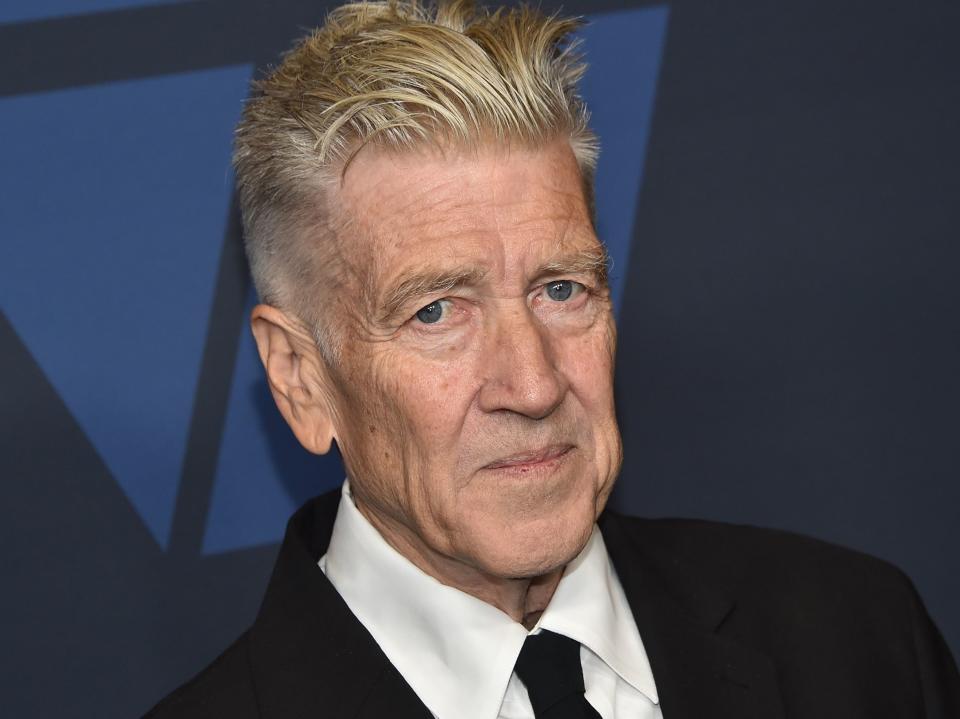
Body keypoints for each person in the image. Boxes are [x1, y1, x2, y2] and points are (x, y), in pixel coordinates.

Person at [147, 1, 960, 717]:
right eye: (436, 311)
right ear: (299, 377)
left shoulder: (861, 644)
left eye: (562, 289)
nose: (534, 385)